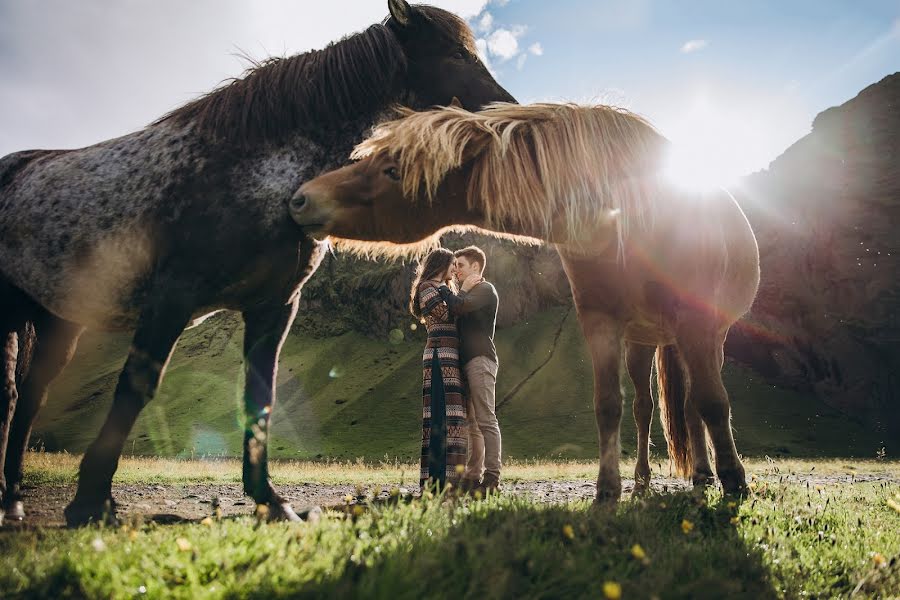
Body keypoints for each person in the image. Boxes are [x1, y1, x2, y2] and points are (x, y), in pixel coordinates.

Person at [437, 246, 501, 494]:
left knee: (486, 420)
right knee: (473, 424)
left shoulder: (485, 289)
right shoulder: (468, 293)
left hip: (481, 360)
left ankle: (493, 477)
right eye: (454, 266)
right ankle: (474, 477)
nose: (456, 271)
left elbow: (458, 307)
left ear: (476, 267)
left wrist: (444, 287)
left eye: (460, 265)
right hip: (467, 362)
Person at [409, 248, 467, 490]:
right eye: (452, 264)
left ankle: (451, 478)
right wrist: (454, 294)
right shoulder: (427, 288)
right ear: (441, 264)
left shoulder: (444, 289)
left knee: (452, 416)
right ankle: (435, 479)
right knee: (439, 415)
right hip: (438, 356)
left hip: (450, 356)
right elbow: (445, 314)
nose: (455, 269)